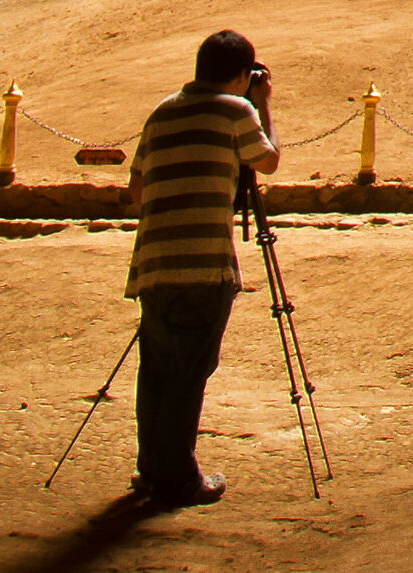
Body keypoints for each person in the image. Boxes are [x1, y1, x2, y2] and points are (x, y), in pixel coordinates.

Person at [122, 29, 282, 509]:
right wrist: (264, 104)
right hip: (205, 264)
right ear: (242, 74)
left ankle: (151, 469)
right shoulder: (237, 111)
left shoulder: (162, 112)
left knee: (156, 371)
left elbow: (136, 191)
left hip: (153, 263)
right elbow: (268, 162)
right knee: (190, 372)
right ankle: (180, 480)